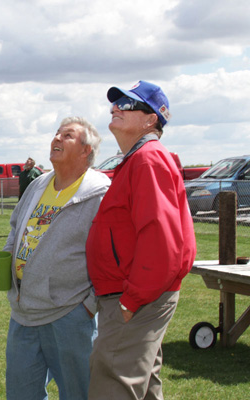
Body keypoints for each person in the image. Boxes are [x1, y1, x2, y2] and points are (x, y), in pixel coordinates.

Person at [86, 81, 196, 400]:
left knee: (112, 382)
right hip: (135, 293)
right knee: (143, 386)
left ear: (151, 120)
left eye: (127, 104)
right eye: (115, 102)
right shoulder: (138, 159)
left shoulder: (147, 159)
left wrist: (132, 300)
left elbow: (162, 239)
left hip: (136, 295)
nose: (116, 107)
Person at [0, 117, 110, 400]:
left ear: (85, 152)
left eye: (67, 135)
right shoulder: (38, 185)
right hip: (23, 312)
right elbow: (17, 227)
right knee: (21, 394)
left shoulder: (99, 194)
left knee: (77, 393)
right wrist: (5, 253)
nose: (56, 138)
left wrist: (89, 306)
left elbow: (112, 256)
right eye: (56, 133)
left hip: (69, 314)